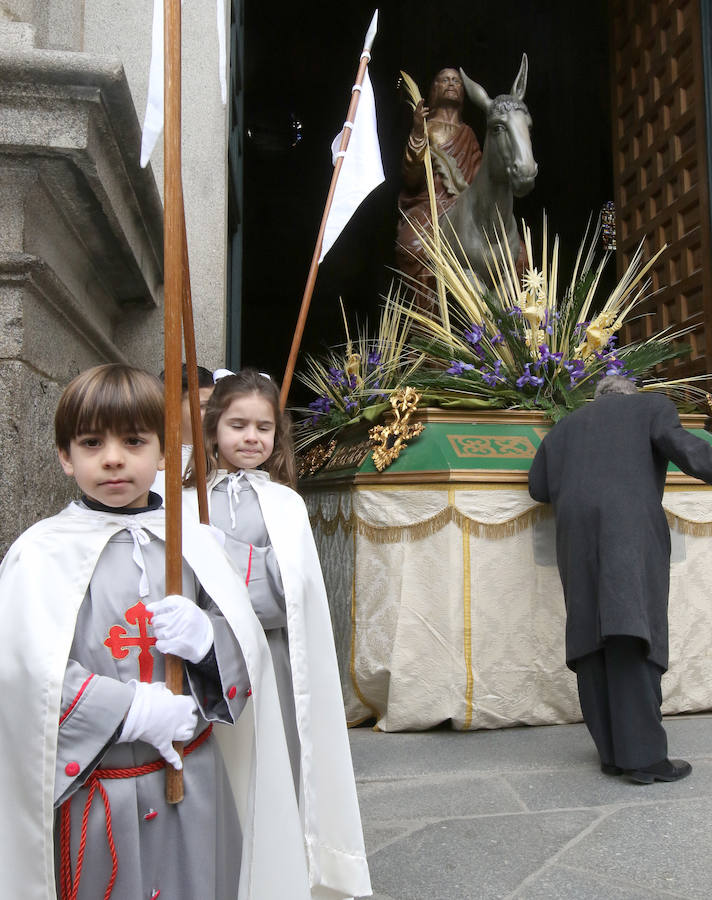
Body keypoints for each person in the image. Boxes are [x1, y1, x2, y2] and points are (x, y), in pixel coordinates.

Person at [0, 364, 311, 899]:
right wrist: (129, 710)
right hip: (96, 788)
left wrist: (208, 641)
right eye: (92, 442)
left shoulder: (192, 542)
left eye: (134, 441)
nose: (113, 458)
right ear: (65, 457)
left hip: (192, 780)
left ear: (166, 453)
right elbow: (23, 670)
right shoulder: (40, 553)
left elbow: (250, 638)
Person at [183, 369, 372, 900]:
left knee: (271, 764)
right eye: (237, 425)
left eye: (263, 428)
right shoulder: (184, 497)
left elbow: (290, 588)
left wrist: (217, 555)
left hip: (271, 659)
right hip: (204, 659)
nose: (251, 438)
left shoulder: (285, 505)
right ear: (212, 427)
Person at [528, 375, 712, 783]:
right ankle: (644, 759)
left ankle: (613, 754)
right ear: (630, 395)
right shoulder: (651, 407)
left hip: (575, 540)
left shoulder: (564, 427)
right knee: (630, 631)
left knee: (591, 639)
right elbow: (685, 448)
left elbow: (538, 487)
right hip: (628, 533)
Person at [396, 67, 482, 288]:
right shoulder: (425, 129)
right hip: (430, 208)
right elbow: (411, 179)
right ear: (434, 89)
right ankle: (424, 310)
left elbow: (478, 179)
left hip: (464, 207)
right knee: (411, 245)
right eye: (444, 79)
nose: (451, 83)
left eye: (456, 80)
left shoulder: (468, 134)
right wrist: (417, 134)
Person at [152, 362, 215, 500]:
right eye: (203, 406)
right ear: (172, 407)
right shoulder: (151, 458)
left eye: (215, 405)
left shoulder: (221, 456)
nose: (213, 412)